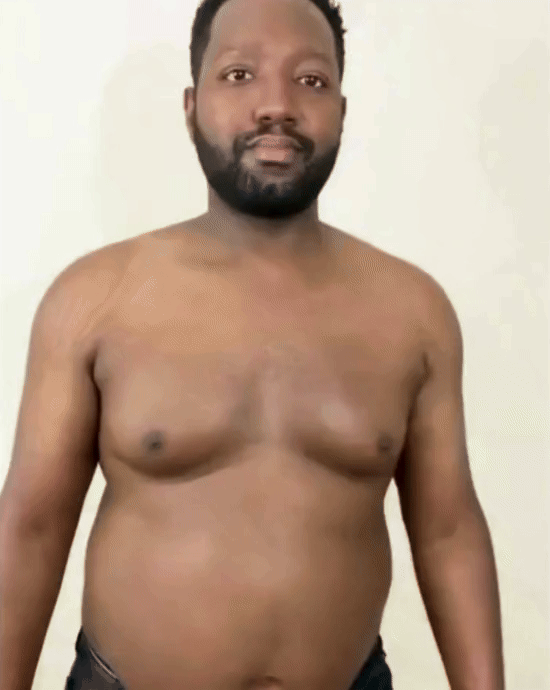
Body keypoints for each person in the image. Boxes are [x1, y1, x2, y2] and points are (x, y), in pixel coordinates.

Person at [0, 0, 506, 688]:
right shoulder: (95, 299)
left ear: (342, 112)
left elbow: (448, 532)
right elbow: (30, 527)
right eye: (240, 74)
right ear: (190, 106)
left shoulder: (414, 312)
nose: (277, 106)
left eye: (310, 80)